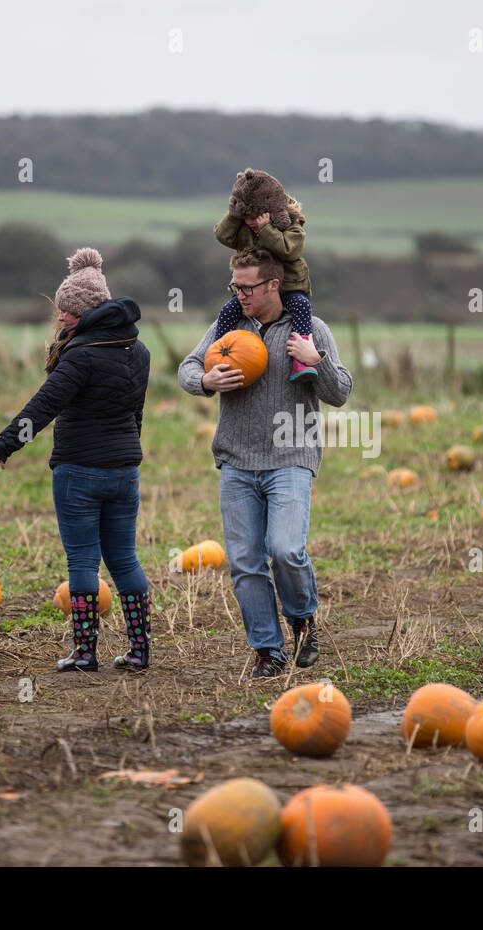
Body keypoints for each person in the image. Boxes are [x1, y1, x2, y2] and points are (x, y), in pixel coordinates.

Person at [178, 247, 352, 678]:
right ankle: (268, 651)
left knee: (285, 549)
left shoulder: (310, 329)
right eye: (234, 286)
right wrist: (205, 380)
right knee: (245, 562)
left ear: (274, 284)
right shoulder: (229, 327)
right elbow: (187, 366)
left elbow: (341, 392)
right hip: (236, 461)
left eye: (248, 287)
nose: (240, 295)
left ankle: (303, 618)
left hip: (291, 457)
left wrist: (318, 362)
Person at [0, 248, 152, 673]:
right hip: (125, 471)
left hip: (79, 472)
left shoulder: (81, 354)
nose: (60, 319)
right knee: (125, 559)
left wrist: (3, 445)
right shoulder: (138, 350)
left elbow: (43, 405)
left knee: (82, 562)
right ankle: (140, 650)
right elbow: (136, 413)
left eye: (66, 312)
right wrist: (125, 451)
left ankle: (85, 653)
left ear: (86, 312)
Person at [212, 167, 319, 383]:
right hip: (252, 289)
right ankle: (218, 358)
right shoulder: (243, 229)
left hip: (289, 287)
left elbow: (290, 250)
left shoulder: (292, 228)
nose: (251, 221)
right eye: (246, 217)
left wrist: (266, 231)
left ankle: (301, 361)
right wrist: (234, 217)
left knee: (301, 306)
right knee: (227, 311)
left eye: (255, 216)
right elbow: (223, 235)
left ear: (271, 210)